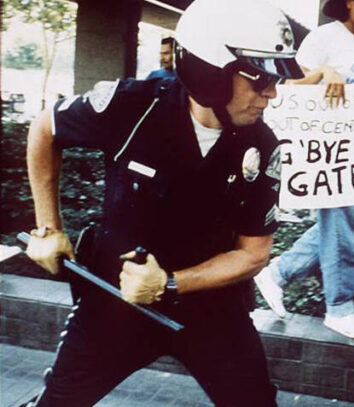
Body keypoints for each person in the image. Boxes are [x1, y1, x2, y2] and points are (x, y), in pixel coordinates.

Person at [23, 0, 303, 405]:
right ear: (210, 71)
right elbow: (44, 128)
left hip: (212, 309)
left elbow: (254, 254)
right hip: (114, 299)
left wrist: (169, 284)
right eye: (259, 78)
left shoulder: (261, 146)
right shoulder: (131, 104)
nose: (271, 95)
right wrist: (49, 228)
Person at [254, 0, 354, 340]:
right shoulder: (323, 37)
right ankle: (340, 306)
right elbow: (286, 87)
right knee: (345, 225)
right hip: (326, 149)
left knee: (342, 224)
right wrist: (322, 73)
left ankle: (278, 272)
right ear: (349, 2)